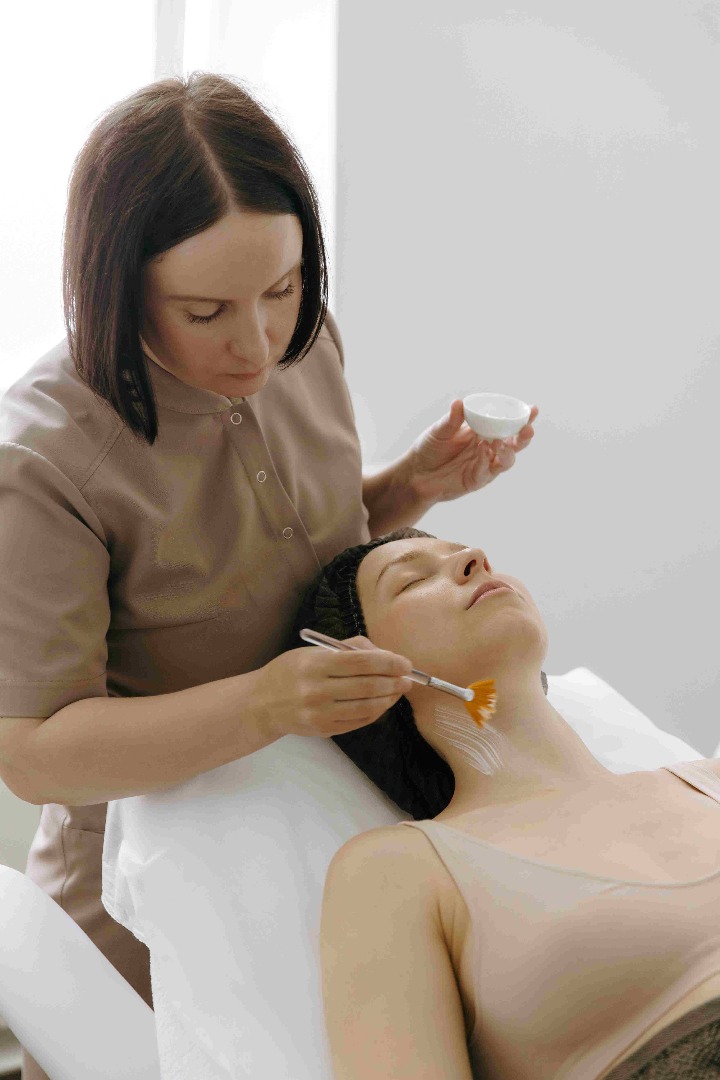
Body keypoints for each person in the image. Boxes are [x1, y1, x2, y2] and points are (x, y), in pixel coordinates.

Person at [0, 73, 538, 1080]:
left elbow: (285, 560)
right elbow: (33, 754)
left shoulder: (306, 342)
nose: (257, 343)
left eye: (282, 289)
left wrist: (411, 487)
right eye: (206, 310)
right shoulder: (43, 458)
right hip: (147, 891)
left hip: (322, 826)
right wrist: (265, 703)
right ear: (116, 285)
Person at [293, 526, 720, 1080]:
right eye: (412, 580)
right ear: (364, 669)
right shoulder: (399, 870)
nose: (475, 557)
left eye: (464, 552)